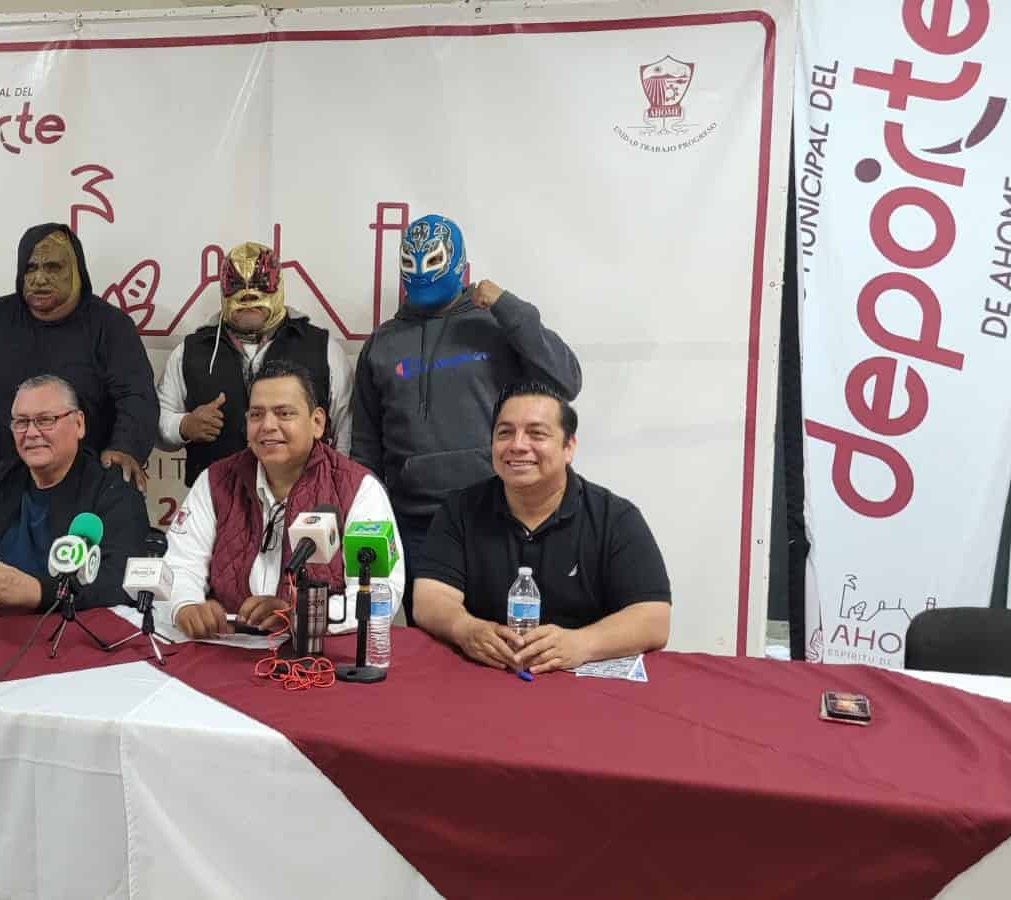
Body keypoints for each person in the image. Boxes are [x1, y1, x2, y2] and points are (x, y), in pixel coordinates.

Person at [351, 213, 583, 621]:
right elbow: (366, 444)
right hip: (414, 524)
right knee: (431, 636)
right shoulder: (382, 344)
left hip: (494, 514)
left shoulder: (495, 325)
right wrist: (369, 516)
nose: (421, 276)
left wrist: (508, 307)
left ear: (458, 264)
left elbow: (566, 380)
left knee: (504, 634)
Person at [414, 381, 670, 674]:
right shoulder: (460, 509)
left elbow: (654, 618)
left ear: (568, 447)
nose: (517, 445)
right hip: (485, 675)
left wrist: (582, 643)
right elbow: (430, 597)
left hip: (580, 682)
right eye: (505, 433)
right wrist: (465, 628)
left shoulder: (615, 518)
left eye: (536, 434)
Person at [163, 360, 403, 638]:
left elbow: (380, 593)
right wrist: (186, 605)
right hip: (225, 646)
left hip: (317, 652)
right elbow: (180, 565)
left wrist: (303, 614)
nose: (267, 425)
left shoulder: (358, 489)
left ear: (317, 423)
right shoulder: (215, 481)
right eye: (256, 414)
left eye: (284, 413)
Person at [0, 223, 159, 489]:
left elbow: (136, 397)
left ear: (76, 270)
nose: (39, 279)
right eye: (30, 268)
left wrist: (126, 447)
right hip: (6, 486)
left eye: (53, 267)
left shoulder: (110, 325)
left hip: (90, 487)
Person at [0, 375, 148, 611]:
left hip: (66, 627)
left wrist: (37, 592)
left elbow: (121, 581)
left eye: (45, 420)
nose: (31, 433)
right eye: (21, 422)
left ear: (79, 424)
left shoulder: (114, 490)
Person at [155, 240, 354, 486]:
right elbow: (157, 420)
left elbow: (347, 427)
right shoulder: (190, 351)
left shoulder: (322, 349)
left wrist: (339, 488)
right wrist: (183, 425)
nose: (248, 294)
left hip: (306, 496)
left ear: (278, 286)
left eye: (261, 284)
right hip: (214, 497)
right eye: (236, 285)